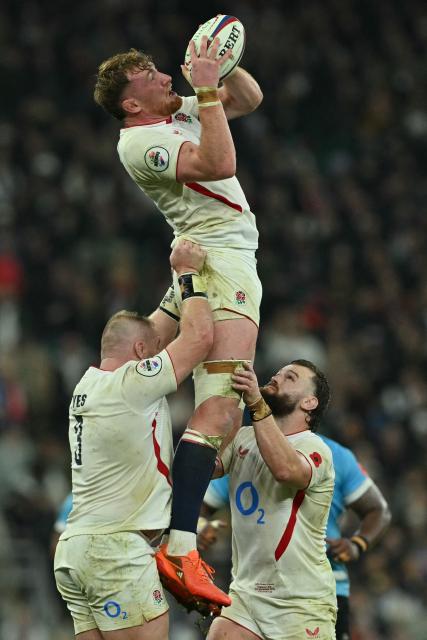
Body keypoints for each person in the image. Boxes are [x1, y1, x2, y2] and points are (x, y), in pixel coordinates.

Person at [93, 33, 263, 596]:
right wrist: (208, 91)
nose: (163, 73)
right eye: (146, 72)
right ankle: (181, 549)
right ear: (130, 103)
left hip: (205, 257)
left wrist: (221, 66)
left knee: (193, 403)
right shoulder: (141, 142)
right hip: (221, 264)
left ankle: (149, 475)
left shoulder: (172, 110)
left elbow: (249, 100)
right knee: (218, 412)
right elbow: (220, 160)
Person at [53, 240, 227, 640]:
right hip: (116, 552)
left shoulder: (90, 384)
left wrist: (176, 272)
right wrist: (189, 275)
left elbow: (152, 333)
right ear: (140, 352)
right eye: (154, 352)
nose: (161, 354)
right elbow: (198, 339)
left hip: (77, 551)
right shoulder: (131, 385)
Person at [200, 439, 391, 640]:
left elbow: (378, 510)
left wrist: (357, 544)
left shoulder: (336, 456)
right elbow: (202, 505)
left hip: (318, 592)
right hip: (255, 589)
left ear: (310, 405)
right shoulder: (246, 449)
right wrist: (199, 524)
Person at [204, 359, 337, 640]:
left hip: (299, 602)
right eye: (277, 372)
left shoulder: (314, 448)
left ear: (309, 403)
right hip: (246, 595)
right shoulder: (244, 437)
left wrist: (255, 405)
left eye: (290, 377)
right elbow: (203, 467)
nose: (277, 377)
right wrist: (218, 400)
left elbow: (286, 470)